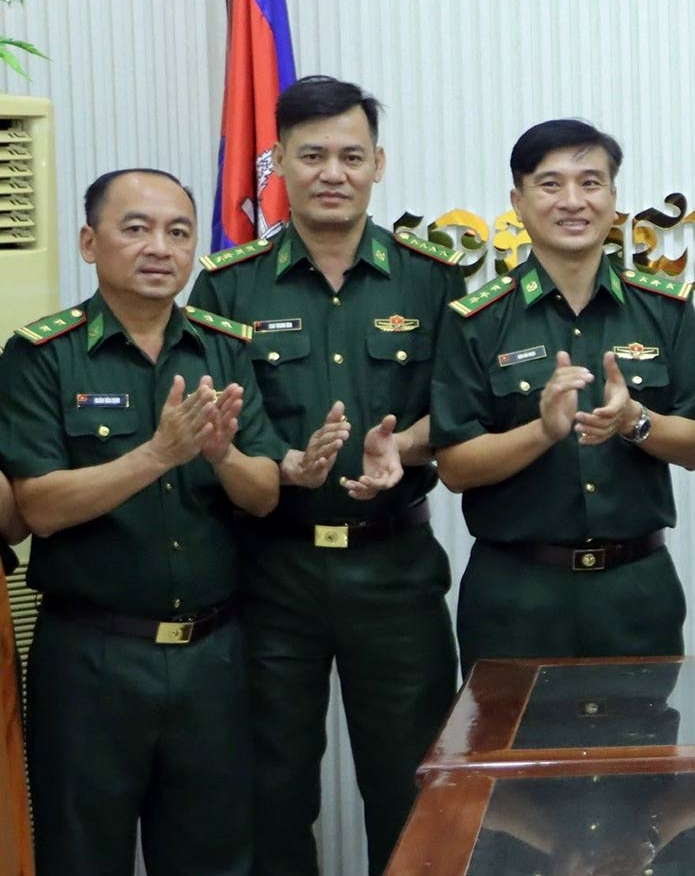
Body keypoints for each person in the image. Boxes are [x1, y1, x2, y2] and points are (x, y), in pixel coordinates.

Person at [188, 76, 461, 875]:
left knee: (414, 785)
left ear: (379, 162)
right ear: (278, 164)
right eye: (311, 156)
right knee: (269, 790)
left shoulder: (432, 276)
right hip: (273, 569)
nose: (332, 172)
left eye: (350, 154)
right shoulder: (230, 284)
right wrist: (284, 462)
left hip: (395, 567)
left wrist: (404, 446)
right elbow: (219, 414)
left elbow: (464, 405)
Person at [0, 169, 284, 875]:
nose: (159, 247)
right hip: (91, 656)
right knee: (81, 854)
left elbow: (264, 493)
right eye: (136, 228)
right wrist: (157, 453)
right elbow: (38, 505)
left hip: (212, 656)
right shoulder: (42, 355)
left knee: (216, 856)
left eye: (178, 232)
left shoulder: (224, 346)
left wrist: (218, 453)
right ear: (90, 242)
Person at [431, 120, 695, 667]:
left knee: (641, 752)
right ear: (517, 200)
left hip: (636, 591)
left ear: (614, 198)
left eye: (591, 183)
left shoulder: (665, 308)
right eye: (550, 184)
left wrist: (636, 419)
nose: (573, 201)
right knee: (505, 750)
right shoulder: (477, 319)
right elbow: (455, 466)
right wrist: (542, 432)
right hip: (514, 596)